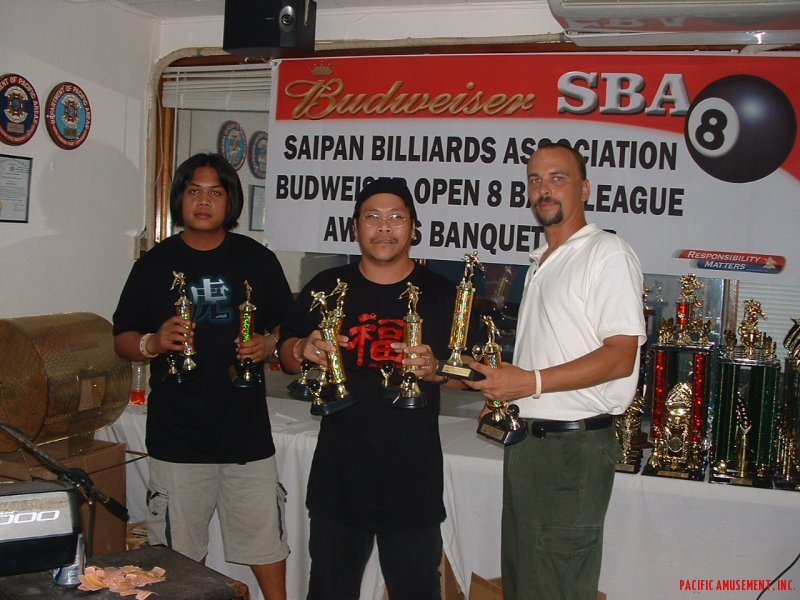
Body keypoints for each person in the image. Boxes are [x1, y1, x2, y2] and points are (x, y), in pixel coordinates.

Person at [467, 141, 646, 600]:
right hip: (528, 443)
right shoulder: (542, 261)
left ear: (584, 189)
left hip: (572, 450)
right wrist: (502, 386)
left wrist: (529, 382)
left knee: (558, 586)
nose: (544, 189)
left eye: (557, 178)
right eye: (535, 180)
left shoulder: (607, 253)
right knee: (524, 583)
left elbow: (620, 356)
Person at [112, 153, 293, 600]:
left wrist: (269, 345)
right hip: (178, 437)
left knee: (266, 542)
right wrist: (153, 342)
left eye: (216, 192)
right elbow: (122, 337)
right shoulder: (155, 264)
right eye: (194, 191)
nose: (204, 201)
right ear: (181, 198)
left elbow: (290, 326)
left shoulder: (257, 259)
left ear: (230, 201)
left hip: (246, 436)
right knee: (177, 555)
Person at [278, 177, 462, 600]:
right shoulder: (326, 287)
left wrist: (436, 369)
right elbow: (286, 354)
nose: (384, 227)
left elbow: (471, 373)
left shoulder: (442, 294)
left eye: (396, 217)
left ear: (413, 227)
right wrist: (302, 348)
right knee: (329, 590)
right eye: (372, 217)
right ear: (355, 226)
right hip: (339, 478)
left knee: (417, 591)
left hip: (412, 481)